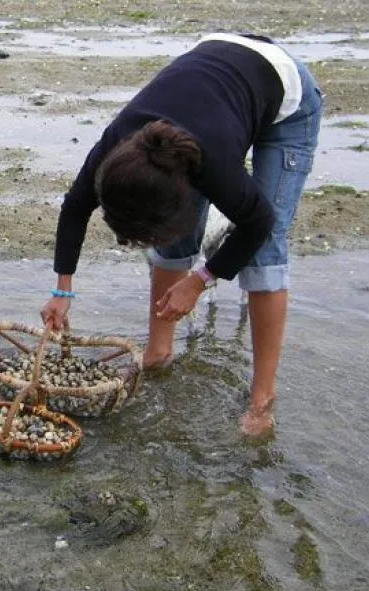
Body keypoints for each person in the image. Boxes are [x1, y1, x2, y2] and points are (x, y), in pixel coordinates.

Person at [40, 33, 322, 436]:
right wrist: (62, 290)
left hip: (286, 98)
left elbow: (257, 223)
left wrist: (201, 280)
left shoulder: (214, 166)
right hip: (217, 76)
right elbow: (74, 207)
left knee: (265, 252)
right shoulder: (114, 151)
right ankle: (158, 351)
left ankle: (262, 398)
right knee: (172, 240)